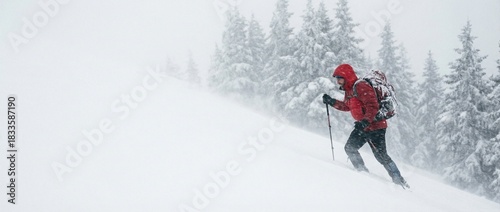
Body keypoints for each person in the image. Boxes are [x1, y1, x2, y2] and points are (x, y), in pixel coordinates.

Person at [322, 64, 409, 188]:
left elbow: (372, 106)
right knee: (350, 148)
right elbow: (348, 106)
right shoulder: (349, 90)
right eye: (336, 78)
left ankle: (399, 181)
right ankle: (362, 173)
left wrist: (365, 121)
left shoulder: (361, 86)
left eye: (339, 78)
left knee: (381, 156)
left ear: (346, 76)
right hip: (363, 127)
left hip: (375, 127)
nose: (337, 81)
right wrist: (332, 102)